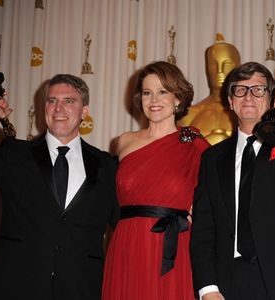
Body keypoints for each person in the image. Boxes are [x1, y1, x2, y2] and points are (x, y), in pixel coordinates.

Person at [0, 74, 119, 299]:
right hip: (14, 288)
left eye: (69, 101)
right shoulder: (14, 155)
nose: (59, 108)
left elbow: (126, 227)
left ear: (84, 112)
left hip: (81, 289)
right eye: (52, 101)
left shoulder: (108, 166)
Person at [190, 62, 275, 300]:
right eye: (240, 89)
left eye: (258, 89)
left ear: (272, 98)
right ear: (231, 101)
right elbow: (204, 227)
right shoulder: (212, 158)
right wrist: (208, 288)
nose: (249, 96)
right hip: (231, 279)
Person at [102, 61, 209, 300]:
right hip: (127, 244)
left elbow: (216, 189)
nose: (154, 100)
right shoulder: (124, 142)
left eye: (163, 92)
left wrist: (200, 212)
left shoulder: (194, 142)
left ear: (178, 99)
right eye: (147, 93)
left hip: (173, 245)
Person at [177, 41, 240, 145]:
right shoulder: (189, 115)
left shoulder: (249, 113)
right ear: (207, 68)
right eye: (213, 64)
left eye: (227, 63)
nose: (220, 70)